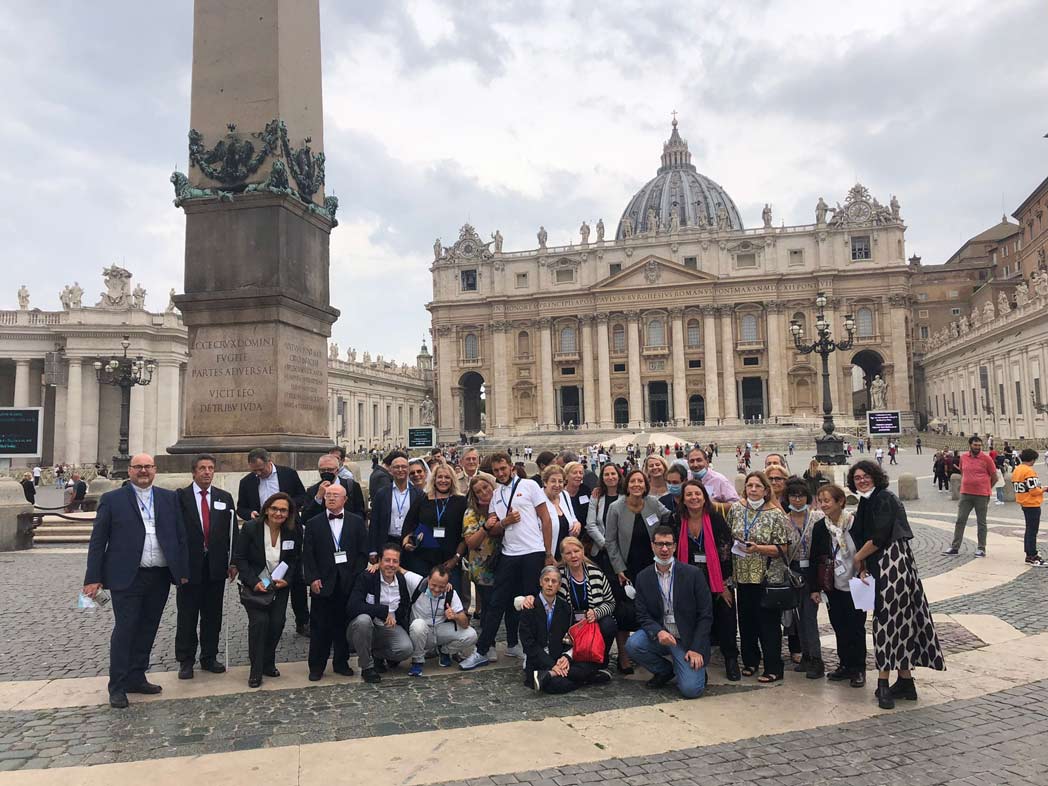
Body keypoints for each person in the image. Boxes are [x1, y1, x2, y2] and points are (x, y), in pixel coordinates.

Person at [82, 453, 189, 709]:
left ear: (155, 470)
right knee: (125, 629)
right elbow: (98, 541)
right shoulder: (112, 499)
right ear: (129, 471)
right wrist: (93, 578)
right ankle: (117, 686)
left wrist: (181, 569)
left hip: (159, 574)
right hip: (126, 576)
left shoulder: (169, 498)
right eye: (138, 467)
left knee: (148, 628)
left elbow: (180, 536)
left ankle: (137, 676)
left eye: (148, 467)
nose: (144, 471)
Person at [849, 460, 944, 709]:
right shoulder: (867, 501)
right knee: (901, 619)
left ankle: (883, 683)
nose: (862, 480)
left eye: (866, 476)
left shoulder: (884, 498)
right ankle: (905, 681)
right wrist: (863, 563)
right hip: (886, 564)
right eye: (857, 477)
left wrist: (858, 558)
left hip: (893, 565)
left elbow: (879, 537)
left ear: (875, 476)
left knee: (887, 620)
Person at [460, 452, 555, 670]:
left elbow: (545, 518)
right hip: (509, 553)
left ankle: (533, 651)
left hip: (533, 551)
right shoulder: (495, 495)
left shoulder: (530, 486)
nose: (501, 473)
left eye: (503, 468)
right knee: (496, 603)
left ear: (511, 467)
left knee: (531, 603)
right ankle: (482, 650)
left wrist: (548, 552)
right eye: (496, 471)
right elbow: (493, 528)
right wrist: (505, 521)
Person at [625, 524, 713, 698]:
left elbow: (705, 615)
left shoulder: (693, 574)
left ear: (674, 546)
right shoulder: (643, 577)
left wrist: (696, 648)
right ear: (652, 546)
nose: (664, 549)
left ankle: (693, 669)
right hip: (663, 635)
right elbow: (642, 614)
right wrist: (658, 632)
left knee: (691, 690)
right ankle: (665, 670)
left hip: (686, 639)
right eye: (659, 544)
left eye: (668, 544)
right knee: (633, 644)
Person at [175, 454, 237, 679]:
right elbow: (175, 534)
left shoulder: (224, 497)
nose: (207, 472)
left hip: (216, 567)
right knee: (187, 616)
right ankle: (186, 660)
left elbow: (233, 533)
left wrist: (233, 561)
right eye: (202, 468)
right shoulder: (180, 497)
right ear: (194, 472)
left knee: (213, 615)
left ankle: (209, 656)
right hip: (189, 568)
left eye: (210, 468)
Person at [671, 479, 739, 680]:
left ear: (704, 497)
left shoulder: (716, 519)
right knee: (693, 619)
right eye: (689, 495)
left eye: (697, 494)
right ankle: (696, 656)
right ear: (683, 499)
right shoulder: (675, 520)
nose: (694, 498)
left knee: (726, 615)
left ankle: (731, 658)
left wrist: (725, 585)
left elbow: (726, 553)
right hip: (688, 581)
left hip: (715, 578)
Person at [236, 448, 309, 635]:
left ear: (270, 461)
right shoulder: (247, 482)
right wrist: (250, 513)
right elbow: (241, 507)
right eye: (254, 470)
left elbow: (302, 496)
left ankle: (303, 620)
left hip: (289, 528)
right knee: (266, 572)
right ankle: (267, 611)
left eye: (261, 469)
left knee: (295, 577)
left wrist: (284, 508)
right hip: (262, 530)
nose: (258, 473)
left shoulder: (288, 474)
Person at [605, 469, 671, 673]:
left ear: (645, 484)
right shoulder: (616, 507)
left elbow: (669, 518)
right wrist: (618, 568)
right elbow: (610, 540)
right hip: (626, 567)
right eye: (632, 481)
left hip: (651, 566)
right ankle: (624, 656)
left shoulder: (652, 503)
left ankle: (646, 649)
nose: (636, 485)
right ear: (627, 484)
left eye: (640, 481)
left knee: (651, 608)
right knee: (625, 612)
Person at [728, 470, 791, 683]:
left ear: (766, 490)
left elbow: (783, 547)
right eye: (749, 486)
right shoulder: (737, 509)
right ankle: (750, 661)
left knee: (768, 624)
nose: (753, 490)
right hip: (743, 575)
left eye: (757, 486)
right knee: (746, 621)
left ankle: (773, 666)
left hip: (766, 576)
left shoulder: (775, 513)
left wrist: (759, 549)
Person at [233, 492, 300, 687]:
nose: (278, 513)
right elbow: (241, 558)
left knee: (277, 623)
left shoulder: (292, 530)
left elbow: (294, 558)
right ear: (266, 509)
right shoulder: (251, 528)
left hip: (279, 585)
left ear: (289, 513)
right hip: (255, 585)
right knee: (260, 623)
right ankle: (256, 670)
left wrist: (287, 580)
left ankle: (268, 661)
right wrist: (254, 582)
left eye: (283, 510)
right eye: (275, 508)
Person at [301, 483, 367, 680]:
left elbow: (362, 552)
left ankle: (341, 662)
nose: (331, 498)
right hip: (322, 583)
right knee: (319, 627)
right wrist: (312, 578)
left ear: (345, 499)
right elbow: (308, 554)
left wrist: (356, 578)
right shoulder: (314, 523)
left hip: (348, 583)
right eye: (328, 495)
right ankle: (316, 667)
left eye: (336, 495)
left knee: (342, 626)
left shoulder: (356, 522)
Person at [517, 566, 612, 693]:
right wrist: (552, 665)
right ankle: (586, 678)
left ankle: (550, 674)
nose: (550, 584)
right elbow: (529, 644)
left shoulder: (566, 607)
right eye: (546, 580)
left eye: (554, 581)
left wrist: (566, 657)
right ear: (541, 582)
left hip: (560, 658)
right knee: (557, 685)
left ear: (559, 585)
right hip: (539, 660)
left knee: (590, 664)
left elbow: (570, 637)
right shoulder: (529, 607)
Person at [811, 483, 867, 687]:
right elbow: (815, 557)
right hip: (832, 585)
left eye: (827, 501)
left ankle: (859, 668)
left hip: (857, 582)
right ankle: (845, 665)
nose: (823, 505)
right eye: (820, 501)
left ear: (840, 501)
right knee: (839, 626)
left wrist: (865, 570)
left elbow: (867, 547)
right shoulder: (820, 527)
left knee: (857, 627)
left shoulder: (856, 523)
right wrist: (815, 588)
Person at [347, 544, 415, 683]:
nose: (391, 564)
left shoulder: (401, 580)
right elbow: (353, 606)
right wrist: (382, 611)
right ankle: (367, 667)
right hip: (365, 627)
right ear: (379, 561)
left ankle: (377, 654)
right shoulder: (367, 577)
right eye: (387, 560)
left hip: (388, 628)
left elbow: (405, 606)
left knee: (406, 649)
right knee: (363, 620)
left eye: (395, 561)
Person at [546, 536, 617, 665]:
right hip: (569, 621)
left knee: (609, 624)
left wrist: (596, 613)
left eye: (576, 551)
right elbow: (547, 596)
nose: (573, 556)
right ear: (562, 556)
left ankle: (602, 659)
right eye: (568, 553)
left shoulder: (596, 573)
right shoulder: (558, 575)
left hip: (592, 620)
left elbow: (610, 602)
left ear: (582, 551)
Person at [399, 564, 478, 675]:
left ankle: (444, 650)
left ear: (447, 584)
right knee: (418, 625)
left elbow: (465, 624)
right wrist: (378, 564)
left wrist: (455, 616)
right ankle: (417, 661)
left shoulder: (451, 593)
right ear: (428, 579)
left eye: (441, 587)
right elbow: (398, 568)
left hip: (440, 630)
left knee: (471, 635)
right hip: (420, 632)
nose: (436, 590)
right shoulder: (416, 582)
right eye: (433, 585)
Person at [401, 463, 468, 588]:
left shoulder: (461, 501)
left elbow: (465, 534)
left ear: (452, 480)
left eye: (447, 477)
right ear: (434, 479)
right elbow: (410, 523)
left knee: (451, 599)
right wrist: (406, 542)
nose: (443, 480)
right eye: (440, 477)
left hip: (449, 560)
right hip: (423, 558)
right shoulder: (423, 499)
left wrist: (456, 558)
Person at [783, 478, 824, 679]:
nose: (797, 499)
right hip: (792, 571)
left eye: (801, 496)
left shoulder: (817, 517)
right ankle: (806, 656)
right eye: (793, 496)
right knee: (797, 619)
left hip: (811, 572)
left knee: (809, 617)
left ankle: (816, 659)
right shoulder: (783, 519)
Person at [462, 473, 505, 657]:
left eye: (486, 488)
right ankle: (488, 644)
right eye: (478, 491)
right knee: (488, 606)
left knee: (502, 605)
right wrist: (486, 527)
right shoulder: (471, 512)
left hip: (504, 561)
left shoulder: (501, 505)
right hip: (482, 566)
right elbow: (470, 542)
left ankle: (507, 642)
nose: (484, 492)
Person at [944, 436, 998, 558]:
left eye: (979, 445)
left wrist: (987, 488)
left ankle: (981, 548)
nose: (977, 447)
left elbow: (994, 477)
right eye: (975, 445)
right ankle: (955, 547)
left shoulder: (987, 459)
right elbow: (963, 472)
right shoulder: (963, 458)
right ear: (970, 445)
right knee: (960, 520)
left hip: (982, 495)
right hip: (966, 494)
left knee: (981, 522)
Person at [367, 452, 423, 561]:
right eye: (396, 467)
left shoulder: (418, 494)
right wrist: (372, 549)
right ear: (391, 470)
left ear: (408, 469)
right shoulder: (382, 493)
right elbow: (374, 522)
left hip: (409, 543)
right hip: (388, 542)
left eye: (404, 467)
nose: (400, 470)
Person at [301, 454, 365, 522]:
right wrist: (318, 498)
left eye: (330, 469)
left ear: (337, 470)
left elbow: (360, 513)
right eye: (322, 470)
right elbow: (305, 518)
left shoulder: (351, 486)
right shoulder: (312, 490)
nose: (326, 472)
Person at [1012, 448, 1045, 566]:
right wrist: (1044, 489)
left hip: (1023, 502)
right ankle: (1031, 555)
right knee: (1032, 530)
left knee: (1029, 529)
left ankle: (1030, 553)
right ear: (1032, 459)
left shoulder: (1017, 470)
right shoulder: (1029, 471)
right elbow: (1033, 490)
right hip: (1032, 503)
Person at [542, 465, 582, 559]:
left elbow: (572, 517)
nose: (557, 485)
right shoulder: (539, 499)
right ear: (545, 482)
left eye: (560, 481)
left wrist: (576, 523)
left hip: (566, 554)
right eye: (553, 481)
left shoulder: (564, 495)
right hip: (547, 555)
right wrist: (548, 556)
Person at [562, 461, 592, 527]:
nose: (578, 475)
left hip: (585, 532)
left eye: (581, 473)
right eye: (575, 473)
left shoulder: (585, 490)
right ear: (566, 476)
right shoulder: (560, 494)